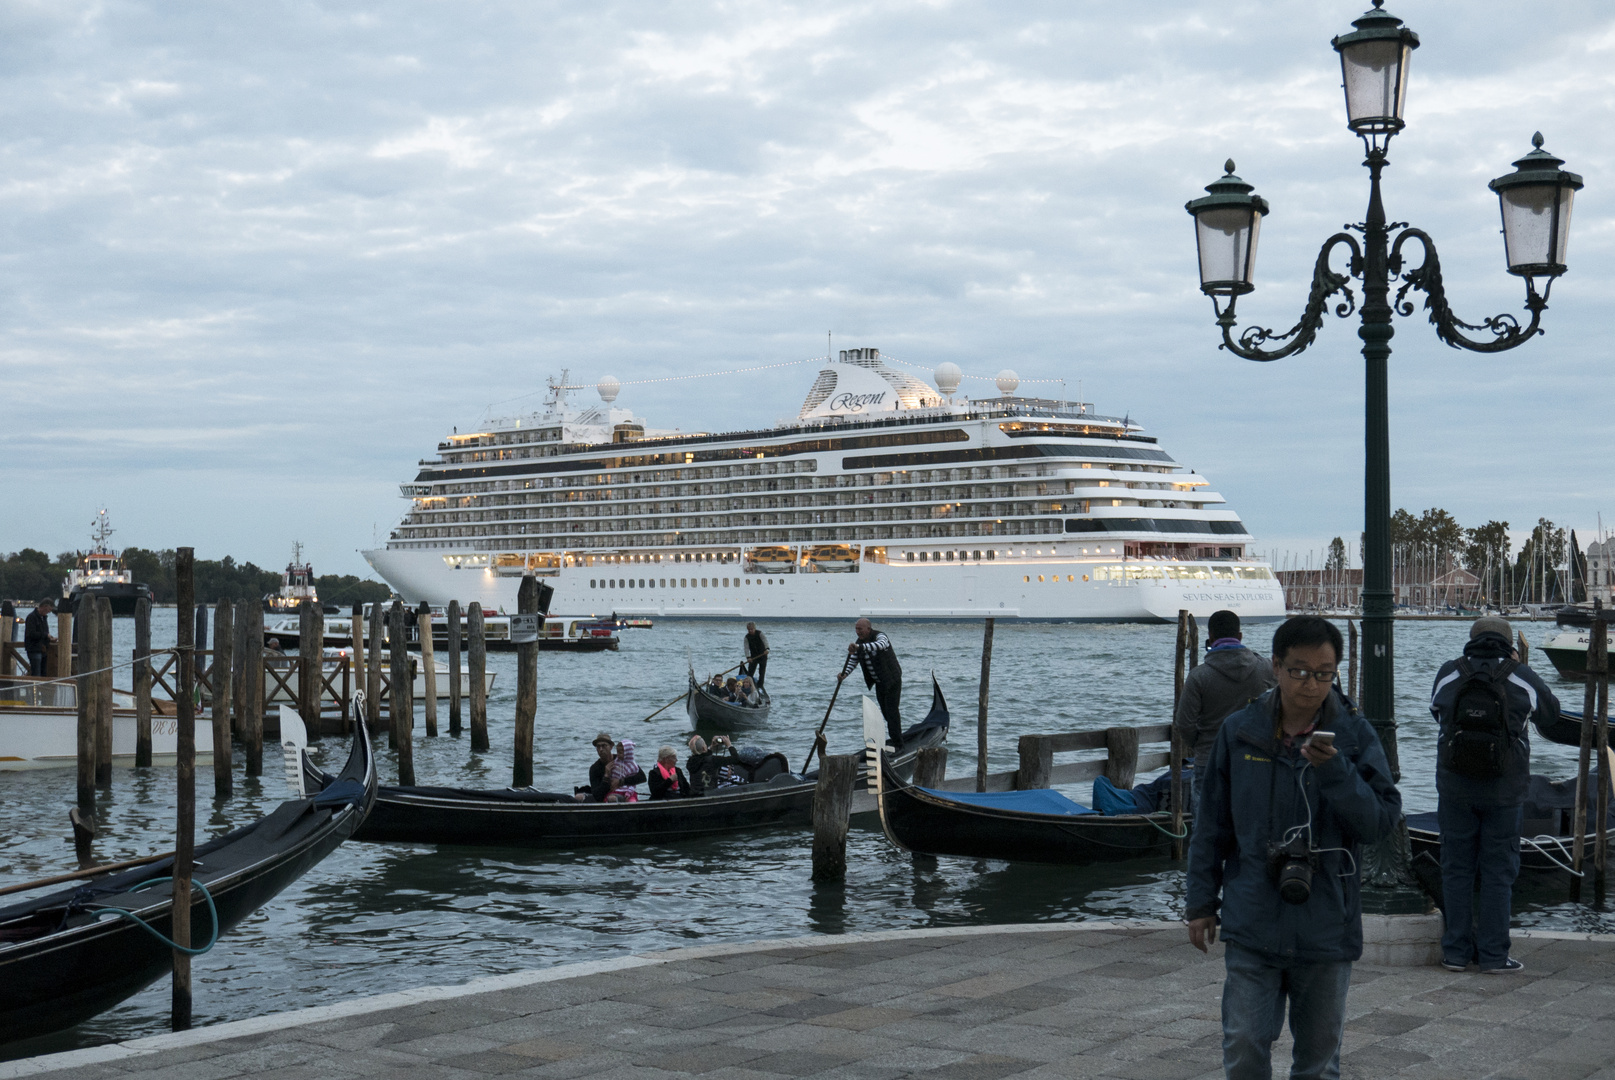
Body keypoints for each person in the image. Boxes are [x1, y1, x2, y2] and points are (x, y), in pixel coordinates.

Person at [1185, 615, 1401, 1080]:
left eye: (1324, 673)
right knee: (1243, 1044)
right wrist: (1201, 902)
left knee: (1319, 1062)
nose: (1311, 684)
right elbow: (1211, 825)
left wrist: (1336, 772)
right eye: (1300, 671)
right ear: (1276, 667)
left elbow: (1379, 824)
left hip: (1326, 922)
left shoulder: (1355, 736)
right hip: (1252, 917)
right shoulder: (1240, 732)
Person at [1429, 616, 1559, 974]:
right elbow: (1552, 713)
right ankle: (1493, 955)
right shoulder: (1520, 675)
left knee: (1456, 869)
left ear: (1471, 640)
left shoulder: (1449, 672)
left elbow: (1434, 712)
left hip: (1454, 789)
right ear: (1509, 644)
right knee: (1499, 872)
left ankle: (1455, 953)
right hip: (1505, 791)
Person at [1173, 610, 1277, 813]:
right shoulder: (1264, 668)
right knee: (1250, 823)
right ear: (1240, 636)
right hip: (1252, 757)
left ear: (1210, 637)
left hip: (1209, 758)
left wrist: (1200, 744)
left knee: (1206, 829)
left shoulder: (1198, 676)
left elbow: (1184, 723)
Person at [839, 617, 903, 746]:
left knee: (892, 713)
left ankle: (899, 744)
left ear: (868, 629)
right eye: (856, 629)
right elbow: (853, 660)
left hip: (892, 681)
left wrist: (859, 647)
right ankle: (896, 738)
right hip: (880, 683)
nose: (858, 632)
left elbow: (880, 646)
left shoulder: (880, 636)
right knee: (886, 713)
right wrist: (844, 673)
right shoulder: (859, 643)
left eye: (860, 629)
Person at [24, 599, 55, 677]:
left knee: (43, 673)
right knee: (36, 674)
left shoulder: (44, 618)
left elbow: (44, 632)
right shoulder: (31, 617)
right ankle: (35, 688)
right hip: (34, 649)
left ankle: (40, 689)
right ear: (44, 607)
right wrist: (45, 635)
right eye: (49, 610)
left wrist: (49, 637)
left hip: (43, 649)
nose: (49, 612)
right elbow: (31, 634)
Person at [743, 622, 769, 687]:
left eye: (751, 629)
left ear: (754, 628)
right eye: (749, 630)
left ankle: (760, 685)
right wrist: (748, 657)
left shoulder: (760, 633)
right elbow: (746, 648)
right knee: (750, 672)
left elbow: (765, 641)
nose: (750, 631)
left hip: (763, 655)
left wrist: (767, 649)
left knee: (762, 672)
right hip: (753, 657)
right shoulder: (747, 637)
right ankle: (748, 685)